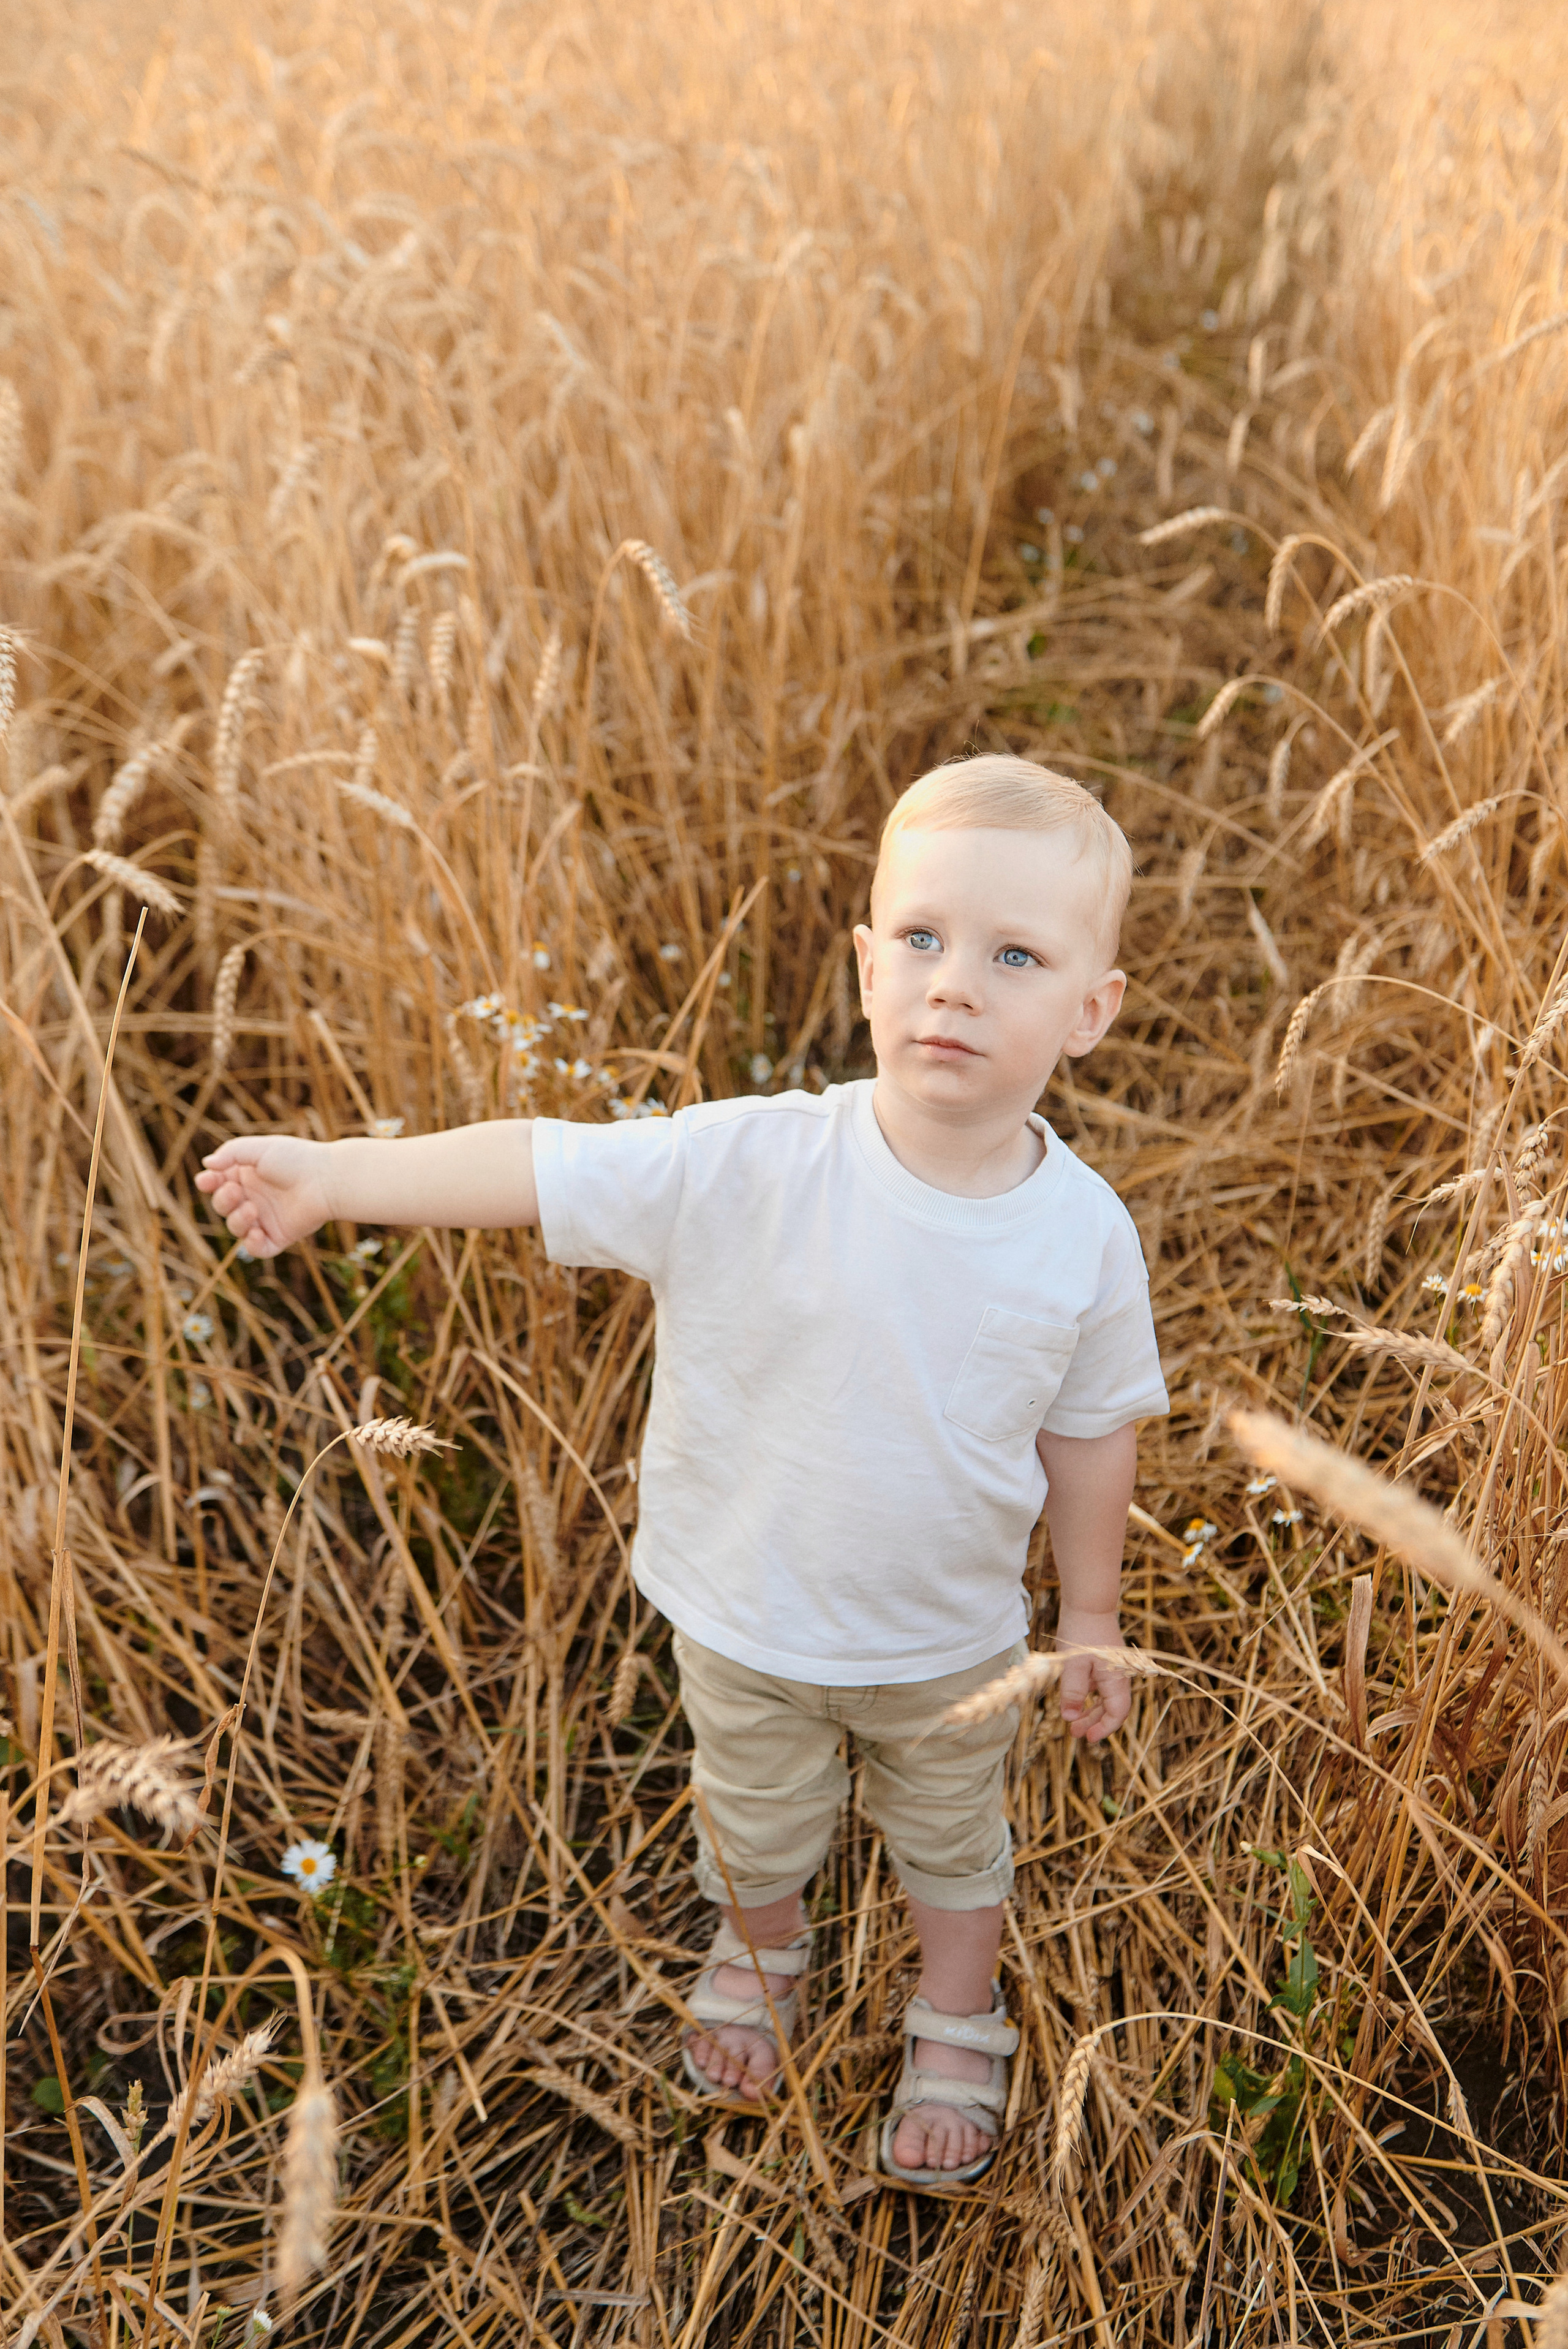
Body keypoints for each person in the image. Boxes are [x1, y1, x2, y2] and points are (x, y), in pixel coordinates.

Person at [197, 752, 1167, 2189]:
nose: (953, 986)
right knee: (754, 1825)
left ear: (1090, 1012)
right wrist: (342, 1176)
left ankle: (954, 2014)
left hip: (949, 1643)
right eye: (921, 938)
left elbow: (1091, 1435)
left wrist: (1087, 1615)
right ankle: (760, 1954)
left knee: (954, 1843)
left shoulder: (1081, 1236)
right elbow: (545, 1166)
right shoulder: (750, 1164)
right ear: (866, 967)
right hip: (742, 1615)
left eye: (1012, 956)